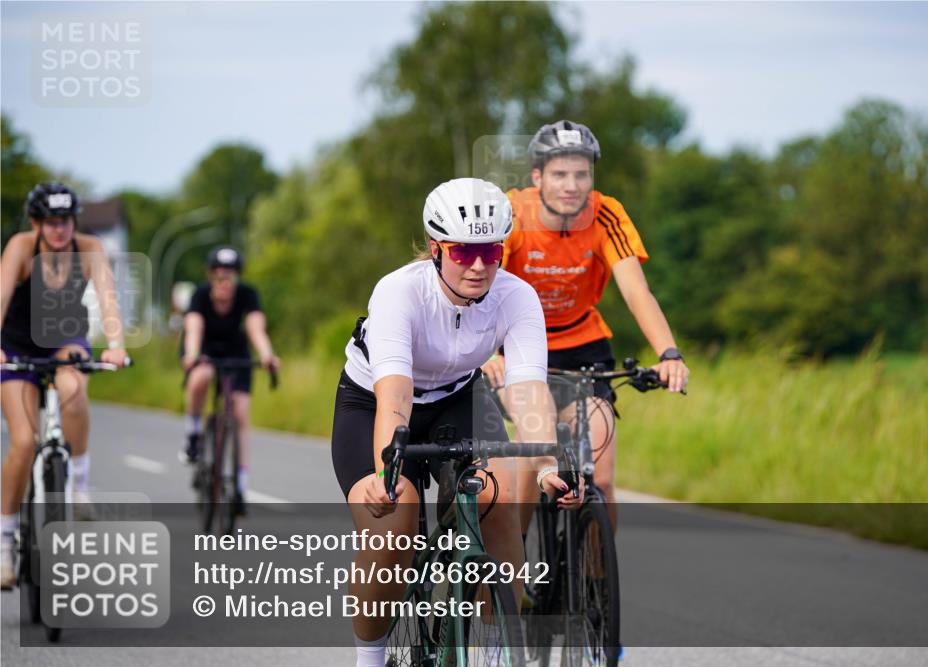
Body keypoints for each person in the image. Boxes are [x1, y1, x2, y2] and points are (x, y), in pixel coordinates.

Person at [331, 178, 576, 667]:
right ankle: (370, 660)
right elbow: (394, 396)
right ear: (436, 248)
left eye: (491, 251)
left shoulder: (517, 297)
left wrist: (547, 462)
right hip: (372, 403)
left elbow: (527, 389)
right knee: (392, 533)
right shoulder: (400, 292)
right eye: (464, 253)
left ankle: (497, 650)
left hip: (457, 400)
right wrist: (386, 473)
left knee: (497, 501)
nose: (480, 265)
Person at [481, 120, 691, 532]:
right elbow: (484, 288)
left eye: (582, 174)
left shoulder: (605, 213)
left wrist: (669, 353)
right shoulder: (513, 213)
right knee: (533, 453)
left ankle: (596, 585)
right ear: (538, 176)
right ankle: (517, 564)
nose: (571, 185)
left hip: (585, 348)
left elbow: (636, 291)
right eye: (560, 174)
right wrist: (489, 352)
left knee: (603, 476)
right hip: (520, 348)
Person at [0, 182, 129, 590]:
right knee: (23, 441)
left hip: (64, 340)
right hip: (15, 345)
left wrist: (116, 345)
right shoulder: (22, 247)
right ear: (37, 223)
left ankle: (78, 484)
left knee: (73, 389)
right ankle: (4, 541)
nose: (60, 230)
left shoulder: (89, 248)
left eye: (67, 221)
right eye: (52, 222)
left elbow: (108, 299)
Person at [179, 246, 279, 514]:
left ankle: (240, 485)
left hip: (237, 354)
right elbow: (193, 327)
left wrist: (267, 354)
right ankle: (194, 433)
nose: (225, 282)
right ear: (211, 277)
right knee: (201, 377)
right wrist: (191, 354)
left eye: (231, 277)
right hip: (204, 351)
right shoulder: (200, 295)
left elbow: (256, 328)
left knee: (241, 413)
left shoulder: (247, 295)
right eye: (219, 276)